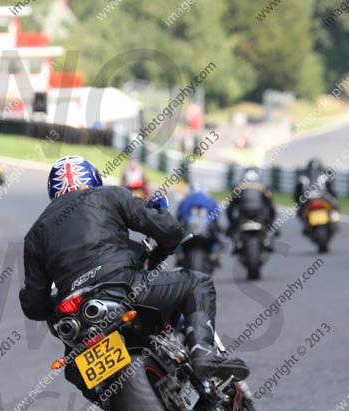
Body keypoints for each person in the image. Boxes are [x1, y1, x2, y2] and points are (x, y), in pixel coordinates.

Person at [19, 155, 250, 391]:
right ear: (92, 179)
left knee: (73, 368)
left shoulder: (35, 233)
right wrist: (161, 241)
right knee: (197, 283)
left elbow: (35, 305)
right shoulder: (109, 195)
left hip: (79, 315)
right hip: (123, 286)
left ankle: (115, 407)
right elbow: (169, 230)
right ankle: (203, 354)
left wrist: (60, 301)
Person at [226, 168, 277, 236]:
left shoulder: (238, 188)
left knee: (232, 229)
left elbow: (230, 208)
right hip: (257, 215)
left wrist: (231, 224)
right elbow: (271, 207)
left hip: (245, 215)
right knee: (269, 227)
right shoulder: (263, 187)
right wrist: (270, 223)